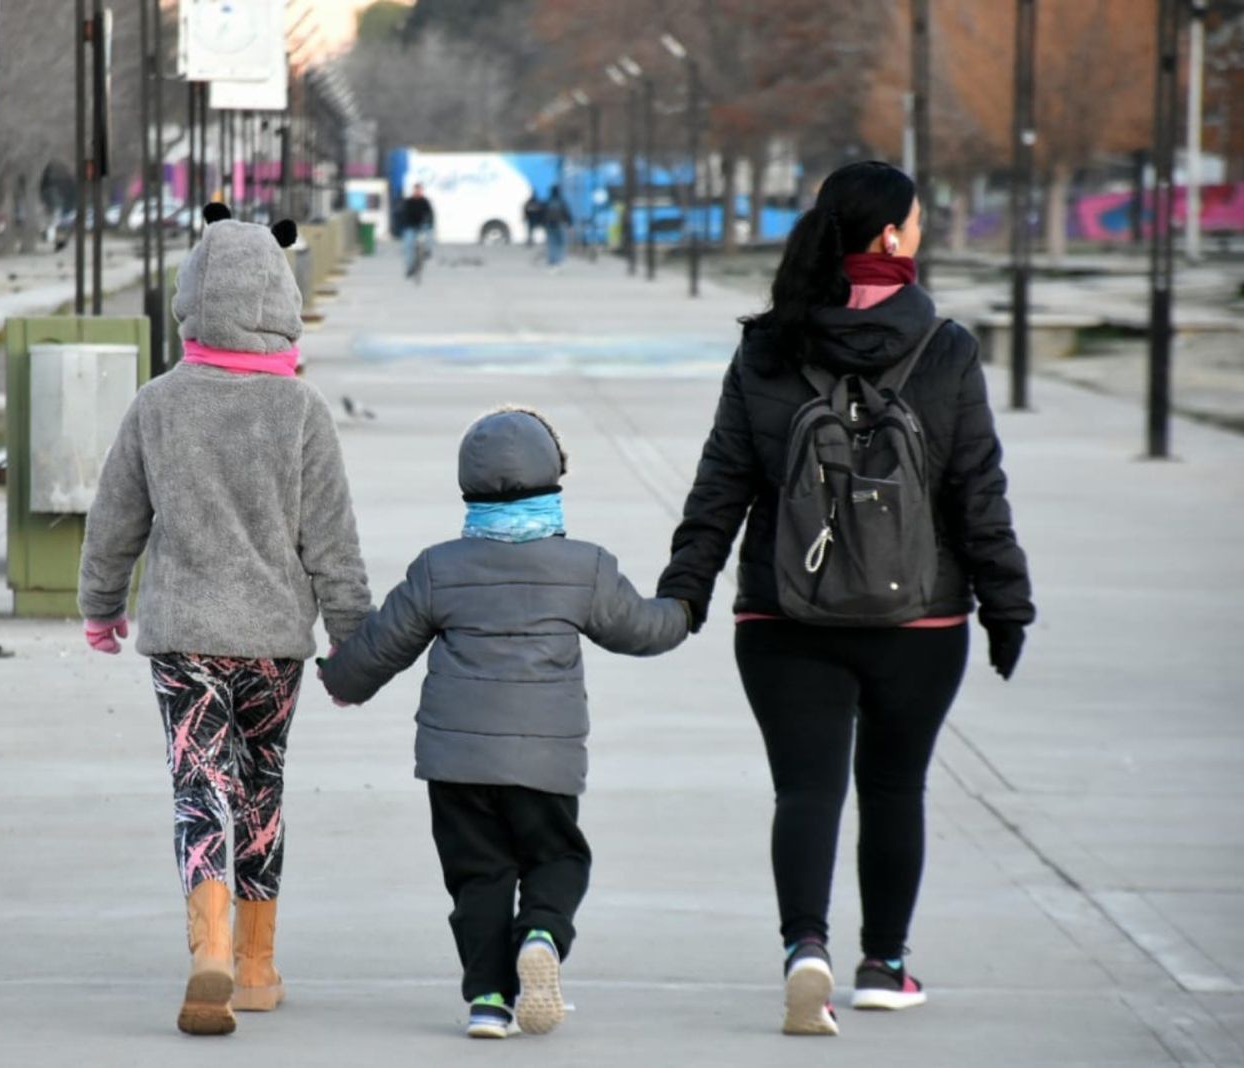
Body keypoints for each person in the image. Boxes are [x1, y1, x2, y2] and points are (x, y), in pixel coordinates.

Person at [656, 160, 1034, 1037]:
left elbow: (722, 486)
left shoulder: (768, 345)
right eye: (918, 219)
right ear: (891, 239)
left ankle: (805, 951)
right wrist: (1006, 606)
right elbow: (978, 493)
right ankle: (885, 964)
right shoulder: (946, 348)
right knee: (895, 789)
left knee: (806, 790)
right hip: (923, 615)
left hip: (786, 612)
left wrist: (687, 591)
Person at [78, 205, 373, 1038]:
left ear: (190, 297)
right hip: (274, 643)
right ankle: (254, 964)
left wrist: (102, 608)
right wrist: (354, 641)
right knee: (261, 788)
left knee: (198, 786)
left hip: (183, 636)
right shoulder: (303, 411)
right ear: (280, 296)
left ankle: (204, 949)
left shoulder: (159, 404)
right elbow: (333, 542)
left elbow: (115, 522)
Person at [320, 408, 690, 1040]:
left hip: (456, 764)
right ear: (553, 481)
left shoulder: (440, 568)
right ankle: (542, 932)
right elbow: (642, 630)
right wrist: (684, 607)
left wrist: (342, 682)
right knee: (557, 856)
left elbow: (382, 644)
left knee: (478, 877)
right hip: (545, 762)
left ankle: (489, 1000)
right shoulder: (585, 568)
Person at [398, 182, 434, 280]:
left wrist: (429, 224)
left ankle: (427, 251)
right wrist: (405, 224)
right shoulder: (408, 202)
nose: (418, 192)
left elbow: (430, 214)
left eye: (419, 190)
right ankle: (410, 268)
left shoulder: (425, 202)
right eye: (416, 190)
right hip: (410, 226)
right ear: (413, 191)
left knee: (429, 235)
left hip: (422, 226)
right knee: (408, 247)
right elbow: (403, 214)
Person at [542, 186, 571, 269]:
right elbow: (567, 213)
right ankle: (560, 259)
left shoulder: (548, 201)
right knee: (561, 243)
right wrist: (569, 223)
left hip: (549, 224)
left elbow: (543, 213)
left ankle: (552, 259)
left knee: (551, 243)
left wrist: (543, 223)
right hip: (560, 224)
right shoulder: (562, 201)